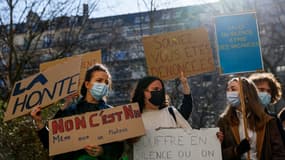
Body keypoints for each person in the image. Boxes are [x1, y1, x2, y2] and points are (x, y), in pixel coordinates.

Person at [31, 64, 124, 160]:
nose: (103, 85)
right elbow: (51, 144)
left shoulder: (112, 114)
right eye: (99, 81)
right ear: (87, 84)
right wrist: (39, 122)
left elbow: (118, 150)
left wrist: (102, 152)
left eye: (106, 82)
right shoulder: (70, 111)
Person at [217, 77, 285, 160]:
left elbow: (279, 153)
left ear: (246, 93)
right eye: (228, 89)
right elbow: (218, 154)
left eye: (233, 89)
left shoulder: (268, 120)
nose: (229, 93)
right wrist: (236, 150)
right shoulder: (224, 121)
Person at [249, 72, 285, 143]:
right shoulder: (240, 117)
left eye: (269, 91)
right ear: (251, 91)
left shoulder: (273, 119)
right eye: (261, 90)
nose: (266, 93)